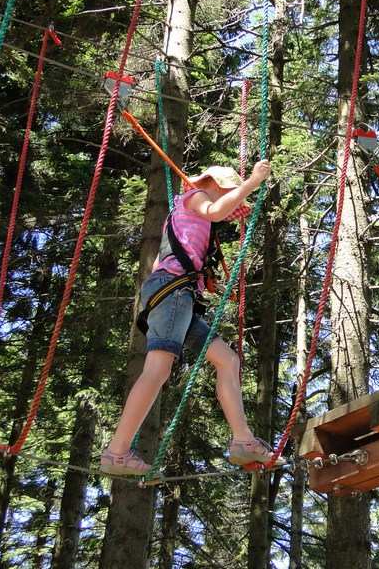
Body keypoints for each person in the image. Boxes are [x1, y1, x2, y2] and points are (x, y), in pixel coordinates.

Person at [100, 160, 284, 476]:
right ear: (213, 183)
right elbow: (215, 212)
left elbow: (206, 226)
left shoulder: (190, 219)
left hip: (177, 295)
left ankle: (242, 440)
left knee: (227, 360)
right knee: (157, 370)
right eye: (226, 190)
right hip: (172, 293)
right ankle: (116, 453)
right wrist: (252, 182)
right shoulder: (194, 197)